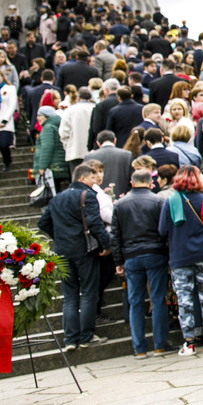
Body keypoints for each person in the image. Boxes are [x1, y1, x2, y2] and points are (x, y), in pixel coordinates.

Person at [37, 164, 111, 350]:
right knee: (88, 292)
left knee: (69, 296)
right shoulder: (88, 196)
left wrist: (59, 237)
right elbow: (95, 223)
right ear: (83, 178)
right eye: (92, 178)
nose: (95, 182)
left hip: (62, 252)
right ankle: (86, 336)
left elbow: (43, 222)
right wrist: (107, 244)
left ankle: (70, 339)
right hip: (84, 251)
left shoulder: (57, 198)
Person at [159, 166, 203, 356]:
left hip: (179, 256)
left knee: (184, 300)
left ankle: (189, 341)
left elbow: (162, 230)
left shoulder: (170, 202)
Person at [112, 169, 170, 358]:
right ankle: (160, 345)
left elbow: (116, 235)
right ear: (150, 182)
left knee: (135, 301)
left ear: (131, 182)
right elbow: (165, 229)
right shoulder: (158, 201)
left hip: (131, 255)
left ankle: (139, 348)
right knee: (158, 298)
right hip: (155, 252)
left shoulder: (120, 204)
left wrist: (118, 260)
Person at [84, 129, 132, 196]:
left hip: (96, 197)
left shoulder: (89, 157)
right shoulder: (127, 155)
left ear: (98, 143)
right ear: (115, 140)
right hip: (121, 196)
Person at [33, 105, 70, 189]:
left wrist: (42, 166)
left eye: (39, 115)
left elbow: (47, 147)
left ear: (46, 116)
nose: (37, 118)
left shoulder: (48, 128)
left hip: (51, 167)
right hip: (58, 165)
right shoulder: (56, 126)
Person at [59, 88, 96, 171]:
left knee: (77, 178)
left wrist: (67, 146)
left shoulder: (70, 110)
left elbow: (64, 131)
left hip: (75, 150)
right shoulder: (96, 108)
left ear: (78, 97)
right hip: (93, 151)